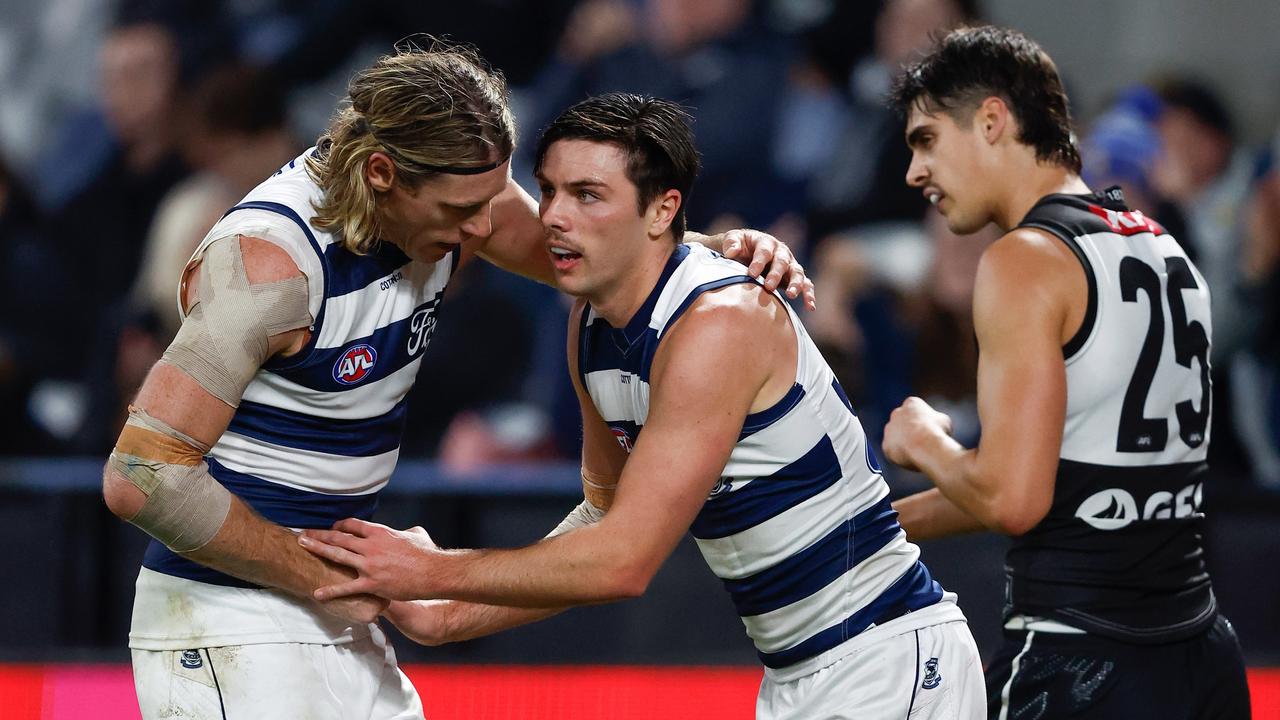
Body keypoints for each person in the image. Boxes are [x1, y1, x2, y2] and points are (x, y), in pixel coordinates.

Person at [101, 45, 812, 719]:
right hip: (229, 624)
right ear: (381, 174)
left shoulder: (450, 188)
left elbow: (591, 259)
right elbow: (142, 474)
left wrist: (709, 253)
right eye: (460, 212)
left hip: (333, 614)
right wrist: (328, 576)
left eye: (492, 197)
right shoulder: (268, 264)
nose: (484, 227)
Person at [298, 92, 985, 720]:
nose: (556, 216)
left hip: (889, 660)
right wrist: (447, 613)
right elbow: (600, 523)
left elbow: (622, 562)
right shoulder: (588, 325)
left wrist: (432, 569)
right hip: (804, 676)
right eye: (549, 191)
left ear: (662, 210)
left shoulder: (719, 322)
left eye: (588, 194)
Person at [879, 26, 1250, 719]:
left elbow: (1012, 499)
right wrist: (877, 526)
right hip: (1203, 656)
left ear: (991, 120)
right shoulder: (1162, 244)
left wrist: (924, 443)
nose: (914, 172)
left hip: (1082, 662)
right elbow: (1069, 481)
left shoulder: (1023, 261)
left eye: (926, 139)